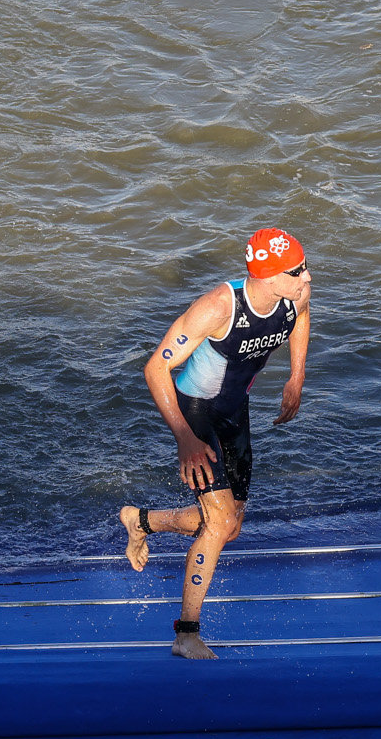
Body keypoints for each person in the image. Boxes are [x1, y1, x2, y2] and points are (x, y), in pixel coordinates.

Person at [120, 227, 312, 659]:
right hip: (195, 414)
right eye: (297, 270)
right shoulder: (218, 308)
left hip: (233, 411)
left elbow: (301, 319)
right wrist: (184, 439)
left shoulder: (293, 296)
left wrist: (296, 376)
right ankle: (186, 633)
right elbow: (155, 369)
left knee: (230, 525)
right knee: (221, 522)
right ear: (267, 275)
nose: (308, 277)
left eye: (304, 266)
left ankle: (142, 521)